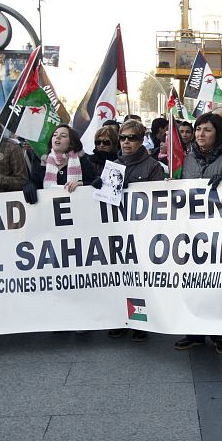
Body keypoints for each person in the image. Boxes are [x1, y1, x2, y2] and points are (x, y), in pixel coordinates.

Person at [174, 112, 222, 354]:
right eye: (198, 130)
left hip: (219, 232)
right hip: (191, 231)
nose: (200, 134)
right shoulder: (187, 158)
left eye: (207, 130)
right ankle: (193, 333)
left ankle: (218, 334)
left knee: (216, 284)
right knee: (192, 283)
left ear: (218, 134)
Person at [101, 119, 165, 342]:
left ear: (141, 140)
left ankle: (139, 322)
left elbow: (159, 201)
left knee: (137, 280)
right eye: (123, 138)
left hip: (141, 231)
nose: (126, 142)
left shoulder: (153, 167)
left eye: (132, 138)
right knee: (119, 278)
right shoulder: (112, 165)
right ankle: (120, 319)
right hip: (117, 230)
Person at [23, 125, 97, 204]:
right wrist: (29, 186)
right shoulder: (43, 162)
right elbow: (35, 182)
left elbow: (96, 183)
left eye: (63, 136)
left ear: (71, 143)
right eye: (55, 135)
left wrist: (81, 184)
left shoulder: (82, 160)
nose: (57, 137)